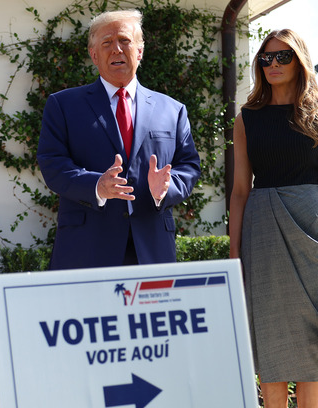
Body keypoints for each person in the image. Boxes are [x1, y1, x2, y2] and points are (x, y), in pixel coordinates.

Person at [228, 29, 318, 408]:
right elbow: (240, 190)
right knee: (270, 341)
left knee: (311, 343)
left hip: (312, 230)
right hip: (261, 229)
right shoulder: (246, 119)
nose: (273, 65)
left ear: (299, 60)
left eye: (282, 57)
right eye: (266, 58)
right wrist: (234, 253)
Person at [36, 9, 201, 269]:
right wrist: (97, 186)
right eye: (106, 43)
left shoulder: (173, 109)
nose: (116, 49)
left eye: (124, 41)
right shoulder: (63, 105)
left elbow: (189, 166)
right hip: (86, 249)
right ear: (94, 55)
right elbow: (52, 164)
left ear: (139, 51)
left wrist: (166, 188)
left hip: (151, 249)